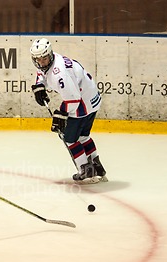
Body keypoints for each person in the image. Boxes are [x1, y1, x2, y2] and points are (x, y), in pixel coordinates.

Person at [30, 38, 107, 184]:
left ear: (50, 55)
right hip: (92, 100)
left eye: (44, 58)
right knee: (83, 136)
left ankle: (85, 169)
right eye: (38, 59)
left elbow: (73, 99)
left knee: (70, 138)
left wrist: (61, 114)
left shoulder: (60, 74)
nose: (41, 62)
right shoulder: (52, 60)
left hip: (82, 104)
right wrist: (39, 86)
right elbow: (42, 73)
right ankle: (97, 168)